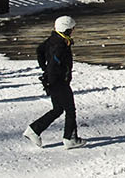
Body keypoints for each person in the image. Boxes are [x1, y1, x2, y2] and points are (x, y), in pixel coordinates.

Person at [25, 15, 83, 148]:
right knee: (70, 110)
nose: (73, 31)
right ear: (66, 29)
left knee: (58, 109)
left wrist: (43, 68)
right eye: (72, 29)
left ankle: (34, 130)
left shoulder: (55, 38)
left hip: (55, 81)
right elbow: (53, 65)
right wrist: (50, 77)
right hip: (58, 82)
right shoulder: (60, 45)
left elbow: (39, 50)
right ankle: (70, 138)